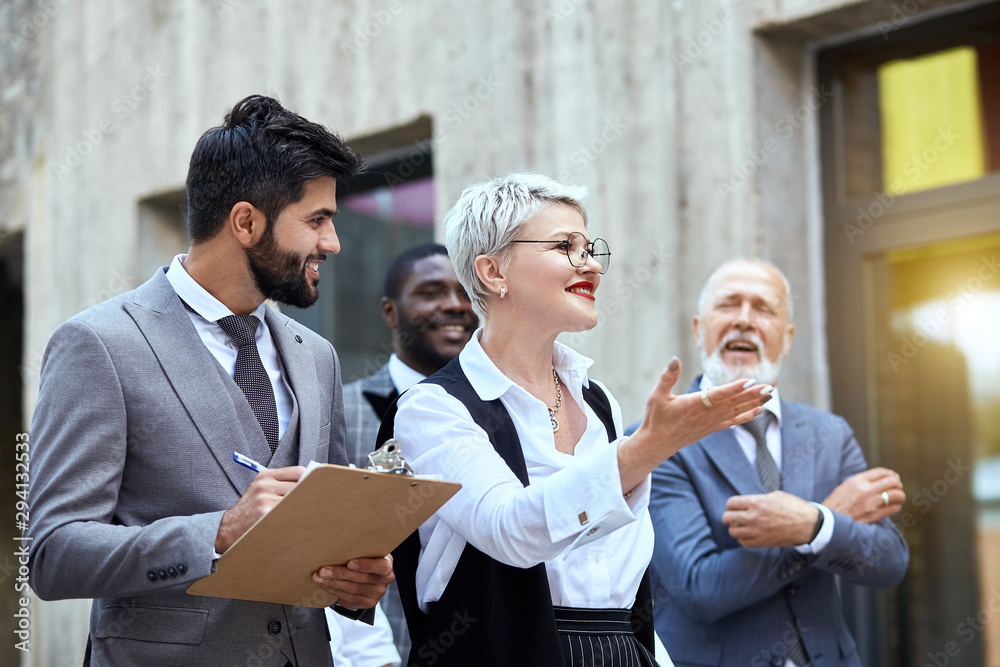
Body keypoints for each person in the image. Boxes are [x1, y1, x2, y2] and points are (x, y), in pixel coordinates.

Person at [27, 95, 395, 666]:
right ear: (246, 222)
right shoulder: (99, 344)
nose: (333, 243)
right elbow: (53, 554)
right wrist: (217, 532)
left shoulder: (315, 355)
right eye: (317, 220)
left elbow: (327, 535)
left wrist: (354, 582)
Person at [386, 174, 774, 667]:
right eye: (565, 246)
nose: (590, 263)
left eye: (589, 247)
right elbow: (510, 529)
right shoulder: (433, 407)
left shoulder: (596, 399)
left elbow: (624, 579)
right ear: (492, 272)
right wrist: (646, 449)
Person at [640, 258, 909, 667]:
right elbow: (699, 587)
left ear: (787, 337)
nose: (745, 320)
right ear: (698, 329)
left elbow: (889, 560)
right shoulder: (658, 440)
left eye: (763, 308)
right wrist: (819, 527)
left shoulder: (829, 434)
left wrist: (815, 524)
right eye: (729, 305)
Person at [336, 242, 478, 664]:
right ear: (390, 312)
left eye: (465, 292)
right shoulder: (340, 412)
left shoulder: (502, 412)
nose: (454, 306)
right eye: (432, 292)